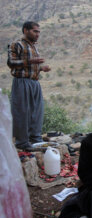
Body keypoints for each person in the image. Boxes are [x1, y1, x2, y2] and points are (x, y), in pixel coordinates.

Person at [7, 21, 51, 150]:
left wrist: (41, 68)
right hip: (22, 82)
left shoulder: (34, 46)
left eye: (38, 32)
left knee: (37, 111)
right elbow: (11, 62)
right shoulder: (17, 44)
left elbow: (30, 67)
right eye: (35, 31)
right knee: (22, 111)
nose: (38, 34)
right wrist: (31, 61)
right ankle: (22, 142)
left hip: (34, 82)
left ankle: (35, 138)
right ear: (26, 30)